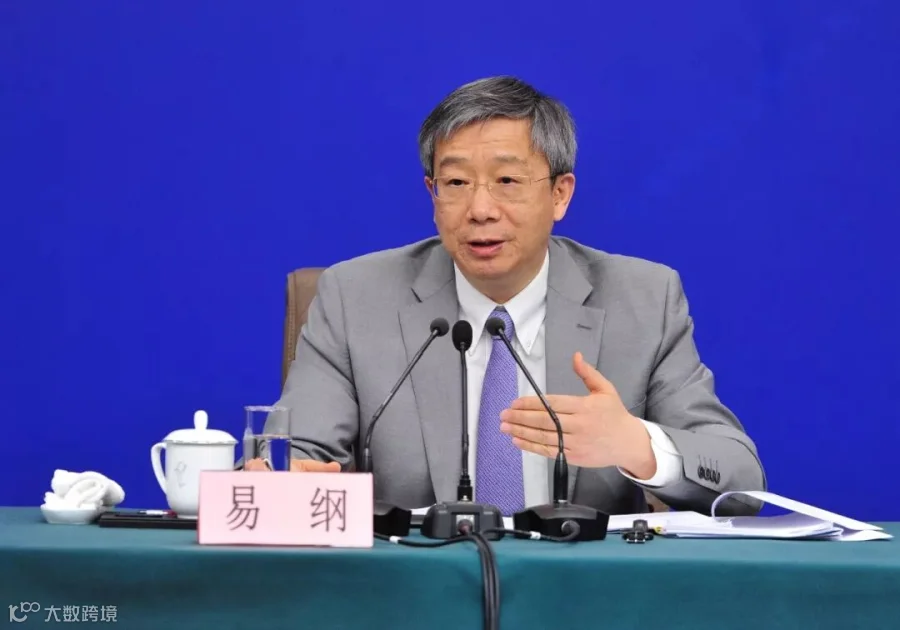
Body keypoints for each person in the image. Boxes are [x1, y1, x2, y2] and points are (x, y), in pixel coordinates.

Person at [249, 76, 766, 517]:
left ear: (560, 194)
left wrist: (637, 444)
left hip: (584, 587)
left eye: (507, 180)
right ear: (432, 194)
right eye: (456, 182)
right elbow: (294, 452)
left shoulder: (644, 299)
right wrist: (283, 478)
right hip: (415, 584)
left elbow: (741, 480)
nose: (480, 209)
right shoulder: (355, 298)